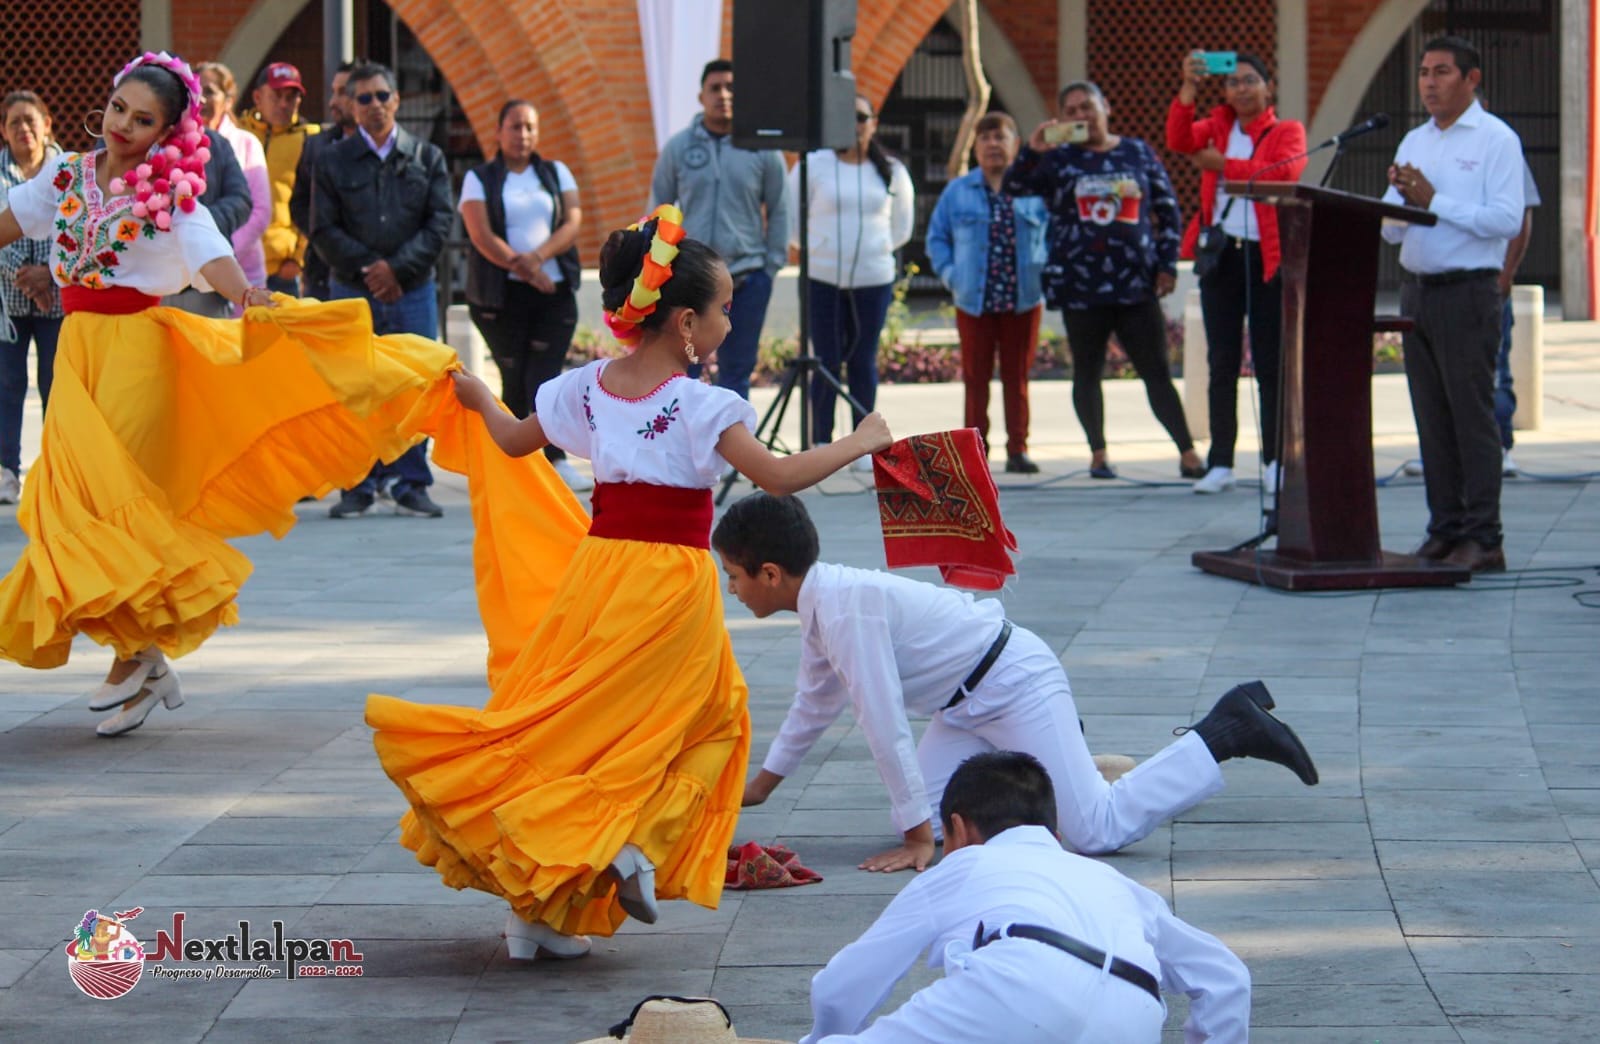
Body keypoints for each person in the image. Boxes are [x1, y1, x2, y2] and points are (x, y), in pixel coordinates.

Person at [365, 206, 892, 961]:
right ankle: (627, 844)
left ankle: (534, 916)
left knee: (578, 730)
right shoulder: (703, 405)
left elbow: (515, 440)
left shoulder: (585, 388)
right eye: (721, 311)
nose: (724, 322)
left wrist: (478, 395)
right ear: (684, 321)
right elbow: (775, 476)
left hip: (599, 574)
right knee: (713, 724)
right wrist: (861, 441)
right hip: (670, 585)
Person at [0, 51, 464, 737]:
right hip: (78, 357)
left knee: (119, 504)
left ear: (167, 131)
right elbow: (9, 221)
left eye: (143, 118)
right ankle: (144, 659)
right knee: (69, 506)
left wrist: (243, 291)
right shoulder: (66, 175)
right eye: (118, 107)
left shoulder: (170, 193)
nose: (123, 124)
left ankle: (136, 659)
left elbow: (207, 250)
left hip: (138, 358)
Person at [715, 492, 1318, 873]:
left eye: (734, 576)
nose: (731, 590)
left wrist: (915, 843)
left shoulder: (845, 609)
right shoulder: (824, 603)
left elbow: (884, 727)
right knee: (943, 818)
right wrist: (761, 789)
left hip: (1014, 681)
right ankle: (1070, 763)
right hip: (963, 709)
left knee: (1092, 834)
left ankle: (1225, 731)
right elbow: (814, 703)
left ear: (771, 574)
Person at [800, 751, 1251, 1043]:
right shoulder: (1115, 884)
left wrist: (823, 1039)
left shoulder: (965, 863)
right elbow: (1227, 978)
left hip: (1019, 991)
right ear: (1054, 835)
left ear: (957, 829)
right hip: (1134, 1018)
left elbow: (844, 985)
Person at [1007, 83, 1204, 480]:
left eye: (1088, 106)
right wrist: (1032, 151)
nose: (1082, 115)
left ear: (1105, 107)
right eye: (1072, 109)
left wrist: (1167, 263)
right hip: (1081, 287)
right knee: (1087, 371)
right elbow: (1013, 187)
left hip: (1136, 285)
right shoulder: (1058, 160)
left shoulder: (1136, 153)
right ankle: (1098, 454)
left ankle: (1187, 452)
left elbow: (1167, 210)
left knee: (1156, 370)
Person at [1383, 36, 1523, 573]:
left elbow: (1506, 220)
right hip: (1418, 289)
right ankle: (1444, 529)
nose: (1429, 83)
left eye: (1442, 72)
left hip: (1468, 291)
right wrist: (1394, 204)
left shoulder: (1495, 141)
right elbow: (1395, 232)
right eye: (1423, 72)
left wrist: (1432, 201)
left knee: (1471, 418)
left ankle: (1484, 538)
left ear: (1472, 79)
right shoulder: (1414, 141)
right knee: (1432, 419)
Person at [313, 61, 451, 520]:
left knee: (415, 385)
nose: (375, 105)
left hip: (411, 290)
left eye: (382, 96)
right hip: (352, 291)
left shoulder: (426, 157)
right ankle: (359, 483)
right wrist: (371, 270)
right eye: (364, 98)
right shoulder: (330, 160)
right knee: (357, 389)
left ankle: (411, 481)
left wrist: (397, 270)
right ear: (350, 107)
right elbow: (323, 227)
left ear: (397, 100)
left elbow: (439, 223)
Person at [1167, 51, 1307, 495]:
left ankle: (1274, 460)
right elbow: (1178, 140)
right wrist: (1188, 85)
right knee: (1221, 363)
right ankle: (1221, 462)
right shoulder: (1218, 126)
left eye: (1251, 81)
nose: (1242, 89)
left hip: (1266, 257)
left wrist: (1222, 166)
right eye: (1234, 83)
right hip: (1223, 256)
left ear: (1268, 88)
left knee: (1270, 364)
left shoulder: (1286, 130)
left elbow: (1282, 172)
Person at [460, 99, 590, 493]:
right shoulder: (480, 178)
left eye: (530, 127)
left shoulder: (555, 173)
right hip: (501, 296)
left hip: (553, 293)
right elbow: (480, 233)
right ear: (499, 132)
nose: (523, 135)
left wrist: (538, 260)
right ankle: (512, 461)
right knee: (514, 378)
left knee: (545, 378)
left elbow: (573, 221)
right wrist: (525, 270)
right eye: (515, 127)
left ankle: (554, 457)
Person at [649, 58, 788, 400]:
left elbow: (781, 207)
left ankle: (731, 452)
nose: (724, 95)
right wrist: (659, 266)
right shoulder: (680, 148)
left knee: (736, 372)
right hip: (690, 282)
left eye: (731, 88)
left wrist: (770, 267)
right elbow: (658, 208)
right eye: (715, 88)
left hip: (747, 277)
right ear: (701, 96)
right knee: (683, 369)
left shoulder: (762, 148)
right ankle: (682, 447)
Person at [790, 94, 914, 466]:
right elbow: (794, 225)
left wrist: (874, 251)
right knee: (824, 359)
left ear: (874, 123)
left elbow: (901, 227)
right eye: (848, 117)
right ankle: (821, 441)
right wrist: (824, 249)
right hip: (822, 277)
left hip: (872, 278)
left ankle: (864, 442)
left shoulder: (891, 169)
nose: (855, 124)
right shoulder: (814, 164)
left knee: (863, 359)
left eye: (862, 117)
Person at [925, 112, 1047, 474]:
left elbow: (1053, 235)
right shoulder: (958, 191)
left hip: (1022, 300)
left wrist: (1044, 274)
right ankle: (973, 453)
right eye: (986, 138)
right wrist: (951, 276)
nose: (994, 144)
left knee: (1017, 379)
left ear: (1015, 144)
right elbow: (936, 238)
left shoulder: (1032, 187)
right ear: (976, 148)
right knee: (975, 380)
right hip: (973, 302)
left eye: (1001, 137)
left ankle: (1018, 449)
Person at [0, 91, 63, 505]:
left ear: (47, 123)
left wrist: (51, 276)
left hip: (60, 302)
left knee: (56, 386)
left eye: (30, 120)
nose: (24, 128)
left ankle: (59, 474)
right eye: (14, 122)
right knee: (6, 386)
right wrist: (27, 277)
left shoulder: (68, 170)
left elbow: (78, 227)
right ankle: (6, 473)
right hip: (7, 301)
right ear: (3, 131)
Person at [159, 106, 254, 319]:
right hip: (150, 290)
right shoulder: (133, 145)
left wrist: (195, 226)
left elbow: (241, 200)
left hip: (206, 291)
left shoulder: (215, 144)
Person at [239, 61, 319, 297]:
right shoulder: (238, 133)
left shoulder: (310, 139)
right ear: (257, 97)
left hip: (283, 269)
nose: (284, 104)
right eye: (276, 96)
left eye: (291, 97)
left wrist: (298, 258)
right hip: (236, 260)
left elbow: (315, 203)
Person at [195, 62, 270, 302]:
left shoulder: (246, 143)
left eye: (210, 91)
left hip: (241, 271)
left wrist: (218, 254)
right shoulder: (176, 145)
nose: (202, 99)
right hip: (191, 273)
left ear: (228, 100)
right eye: (196, 90)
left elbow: (260, 210)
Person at [291, 60, 358, 302]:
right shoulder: (316, 145)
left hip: (375, 277)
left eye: (342, 92)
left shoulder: (388, 151)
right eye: (333, 91)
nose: (333, 102)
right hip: (322, 272)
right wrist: (326, 238)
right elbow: (298, 204)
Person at [1494, 160, 1539, 477]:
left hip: (1486, 283)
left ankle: (1500, 446)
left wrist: (1506, 274)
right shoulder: (1421, 141)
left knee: (1495, 371)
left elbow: (1522, 216)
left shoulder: (1499, 142)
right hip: (1431, 284)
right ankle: (1443, 452)